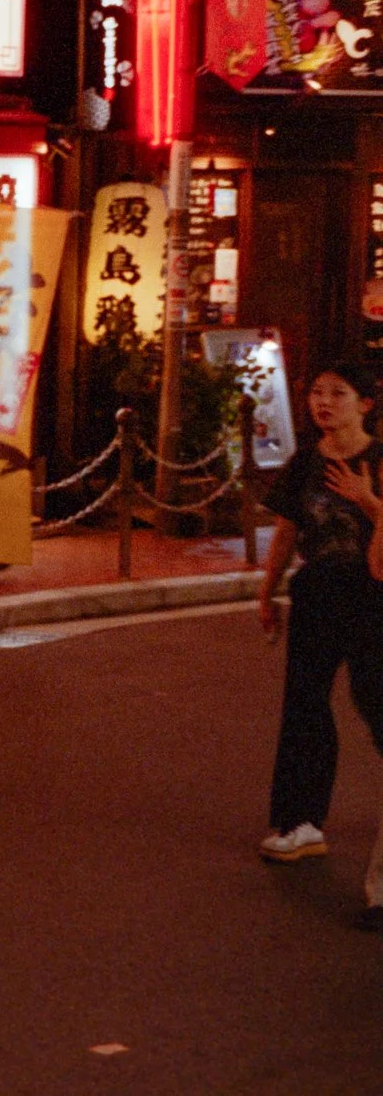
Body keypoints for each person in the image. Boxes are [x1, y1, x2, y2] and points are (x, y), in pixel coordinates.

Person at [254, 364, 383, 932]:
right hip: (316, 596)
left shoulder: (378, 459)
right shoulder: (307, 461)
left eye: (338, 393)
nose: (323, 403)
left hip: (374, 598)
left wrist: (368, 499)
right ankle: (299, 821)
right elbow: (287, 528)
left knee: (374, 703)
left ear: (367, 404)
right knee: (304, 705)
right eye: (316, 392)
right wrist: (268, 590)